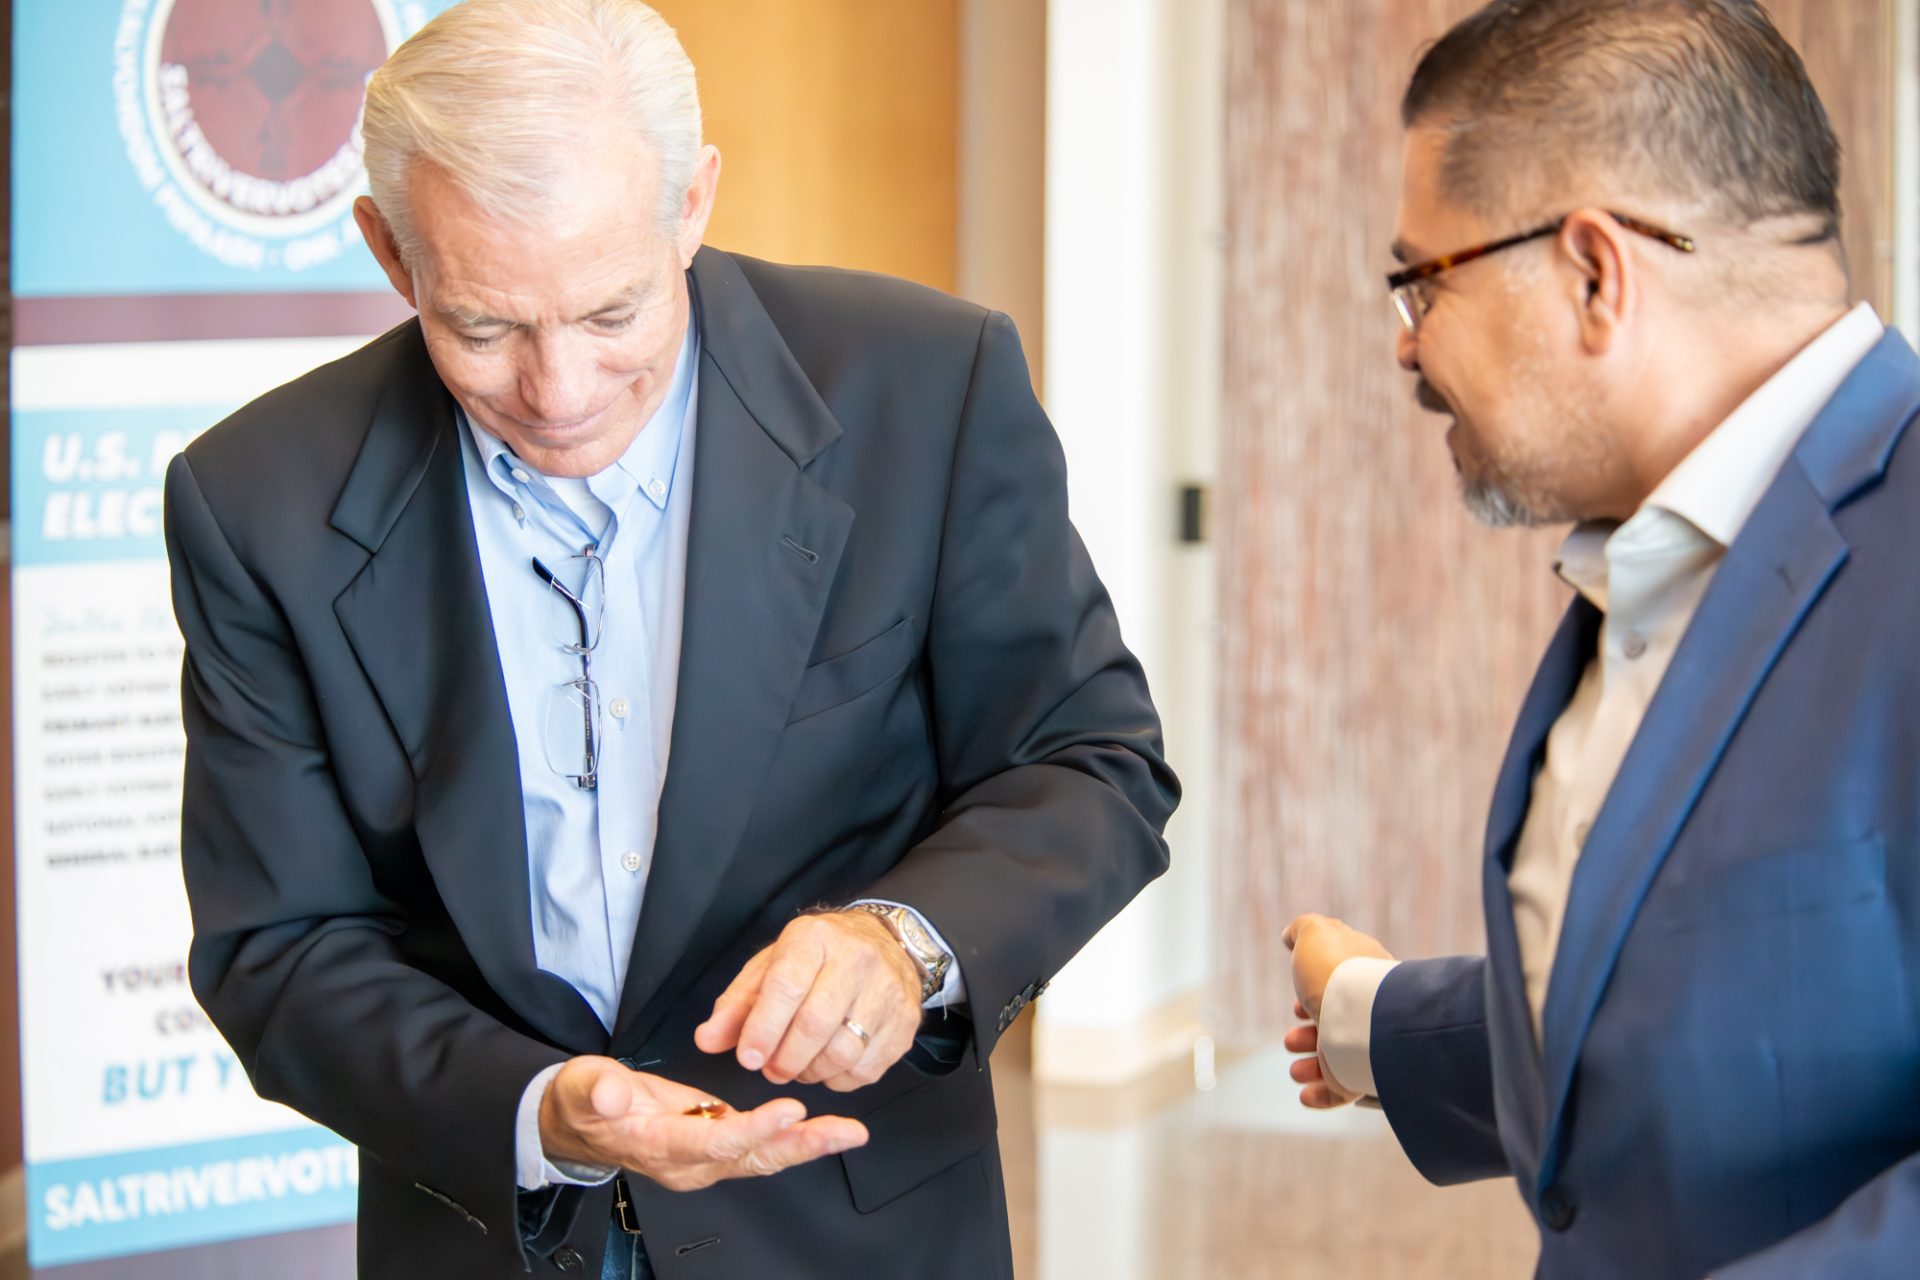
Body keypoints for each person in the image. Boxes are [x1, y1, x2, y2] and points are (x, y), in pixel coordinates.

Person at [163, 1, 1178, 1276]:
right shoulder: (256, 497)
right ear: (388, 250)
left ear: (690, 204)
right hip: (493, 1225)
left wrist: (903, 938)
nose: (558, 392)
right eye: (481, 326)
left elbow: (1091, 758)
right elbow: (278, 945)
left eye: (611, 313)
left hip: (855, 1221)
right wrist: (544, 1112)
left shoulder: (929, 386)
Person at [1281, 2, 1920, 1277]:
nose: (1407, 344)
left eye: (1422, 280)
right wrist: (1373, 1022)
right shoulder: (1646, 562)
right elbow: (1732, 980)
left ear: (1591, 270)